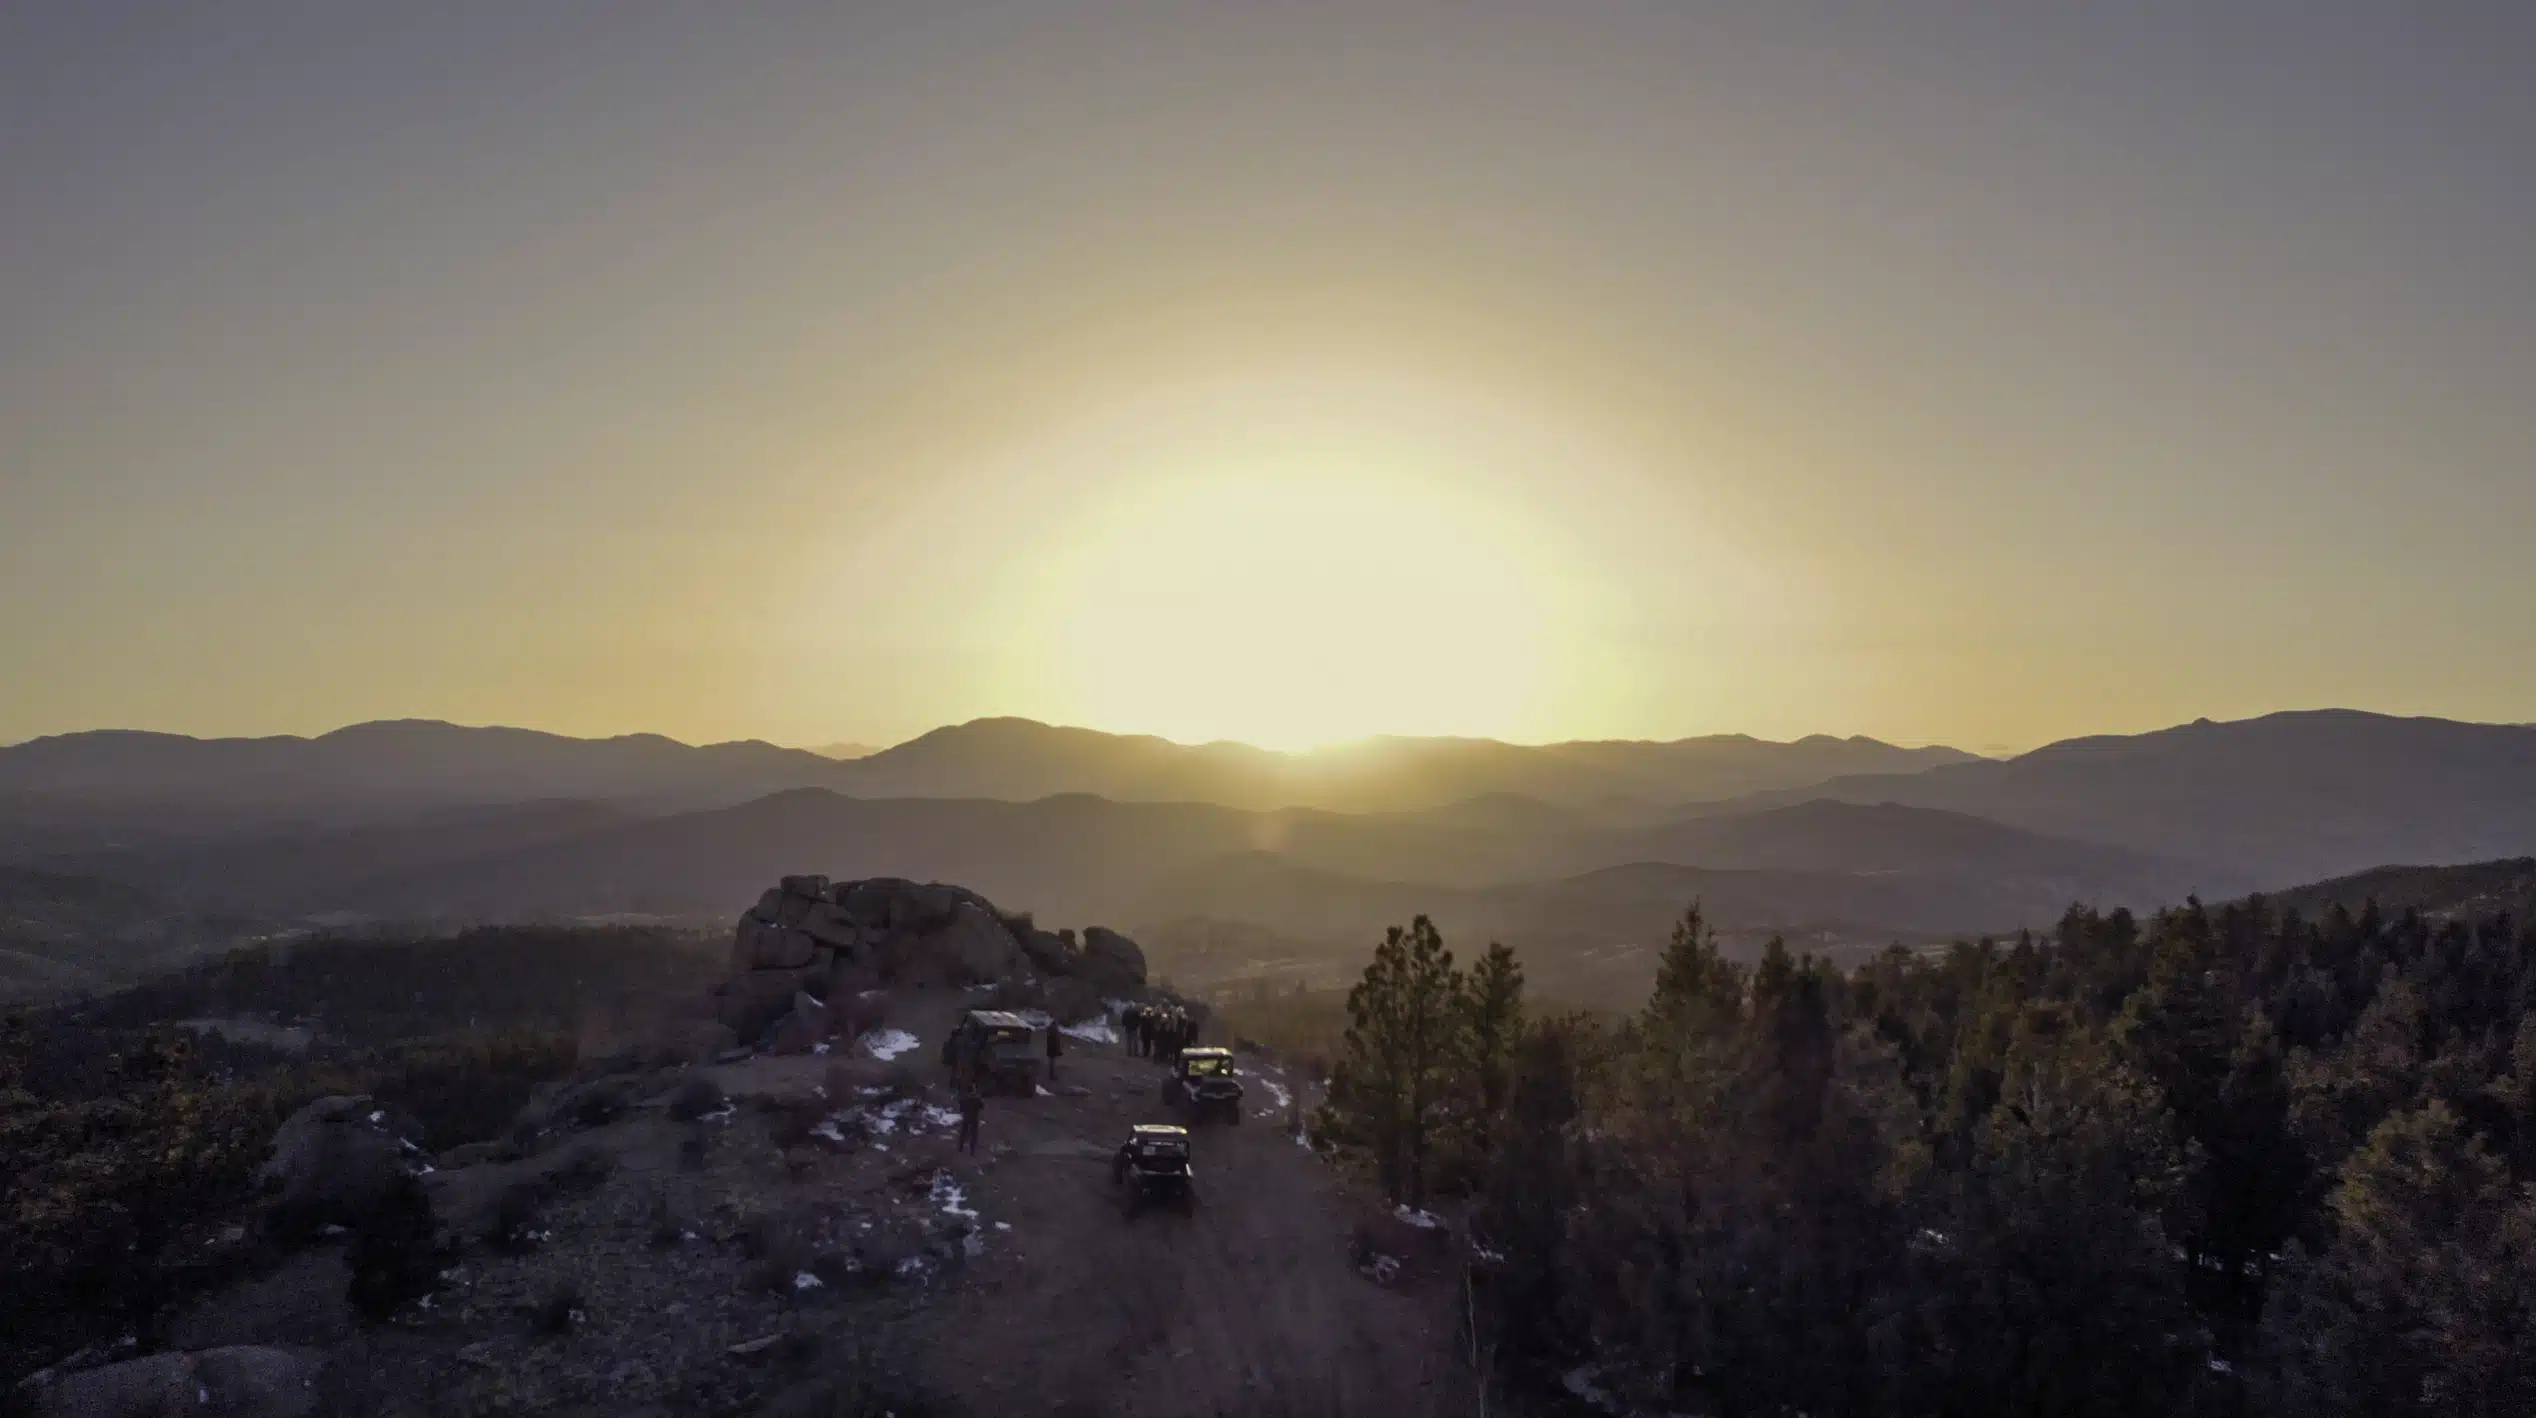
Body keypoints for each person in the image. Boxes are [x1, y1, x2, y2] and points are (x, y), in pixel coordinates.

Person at [956, 1077, 984, 1155]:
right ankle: (972, 1151)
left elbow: (961, 1109)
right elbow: (982, 1106)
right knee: (973, 1135)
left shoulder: (964, 1098)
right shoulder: (977, 1099)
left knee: (963, 1133)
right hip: (974, 1118)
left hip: (966, 1117)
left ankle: (960, 1148)